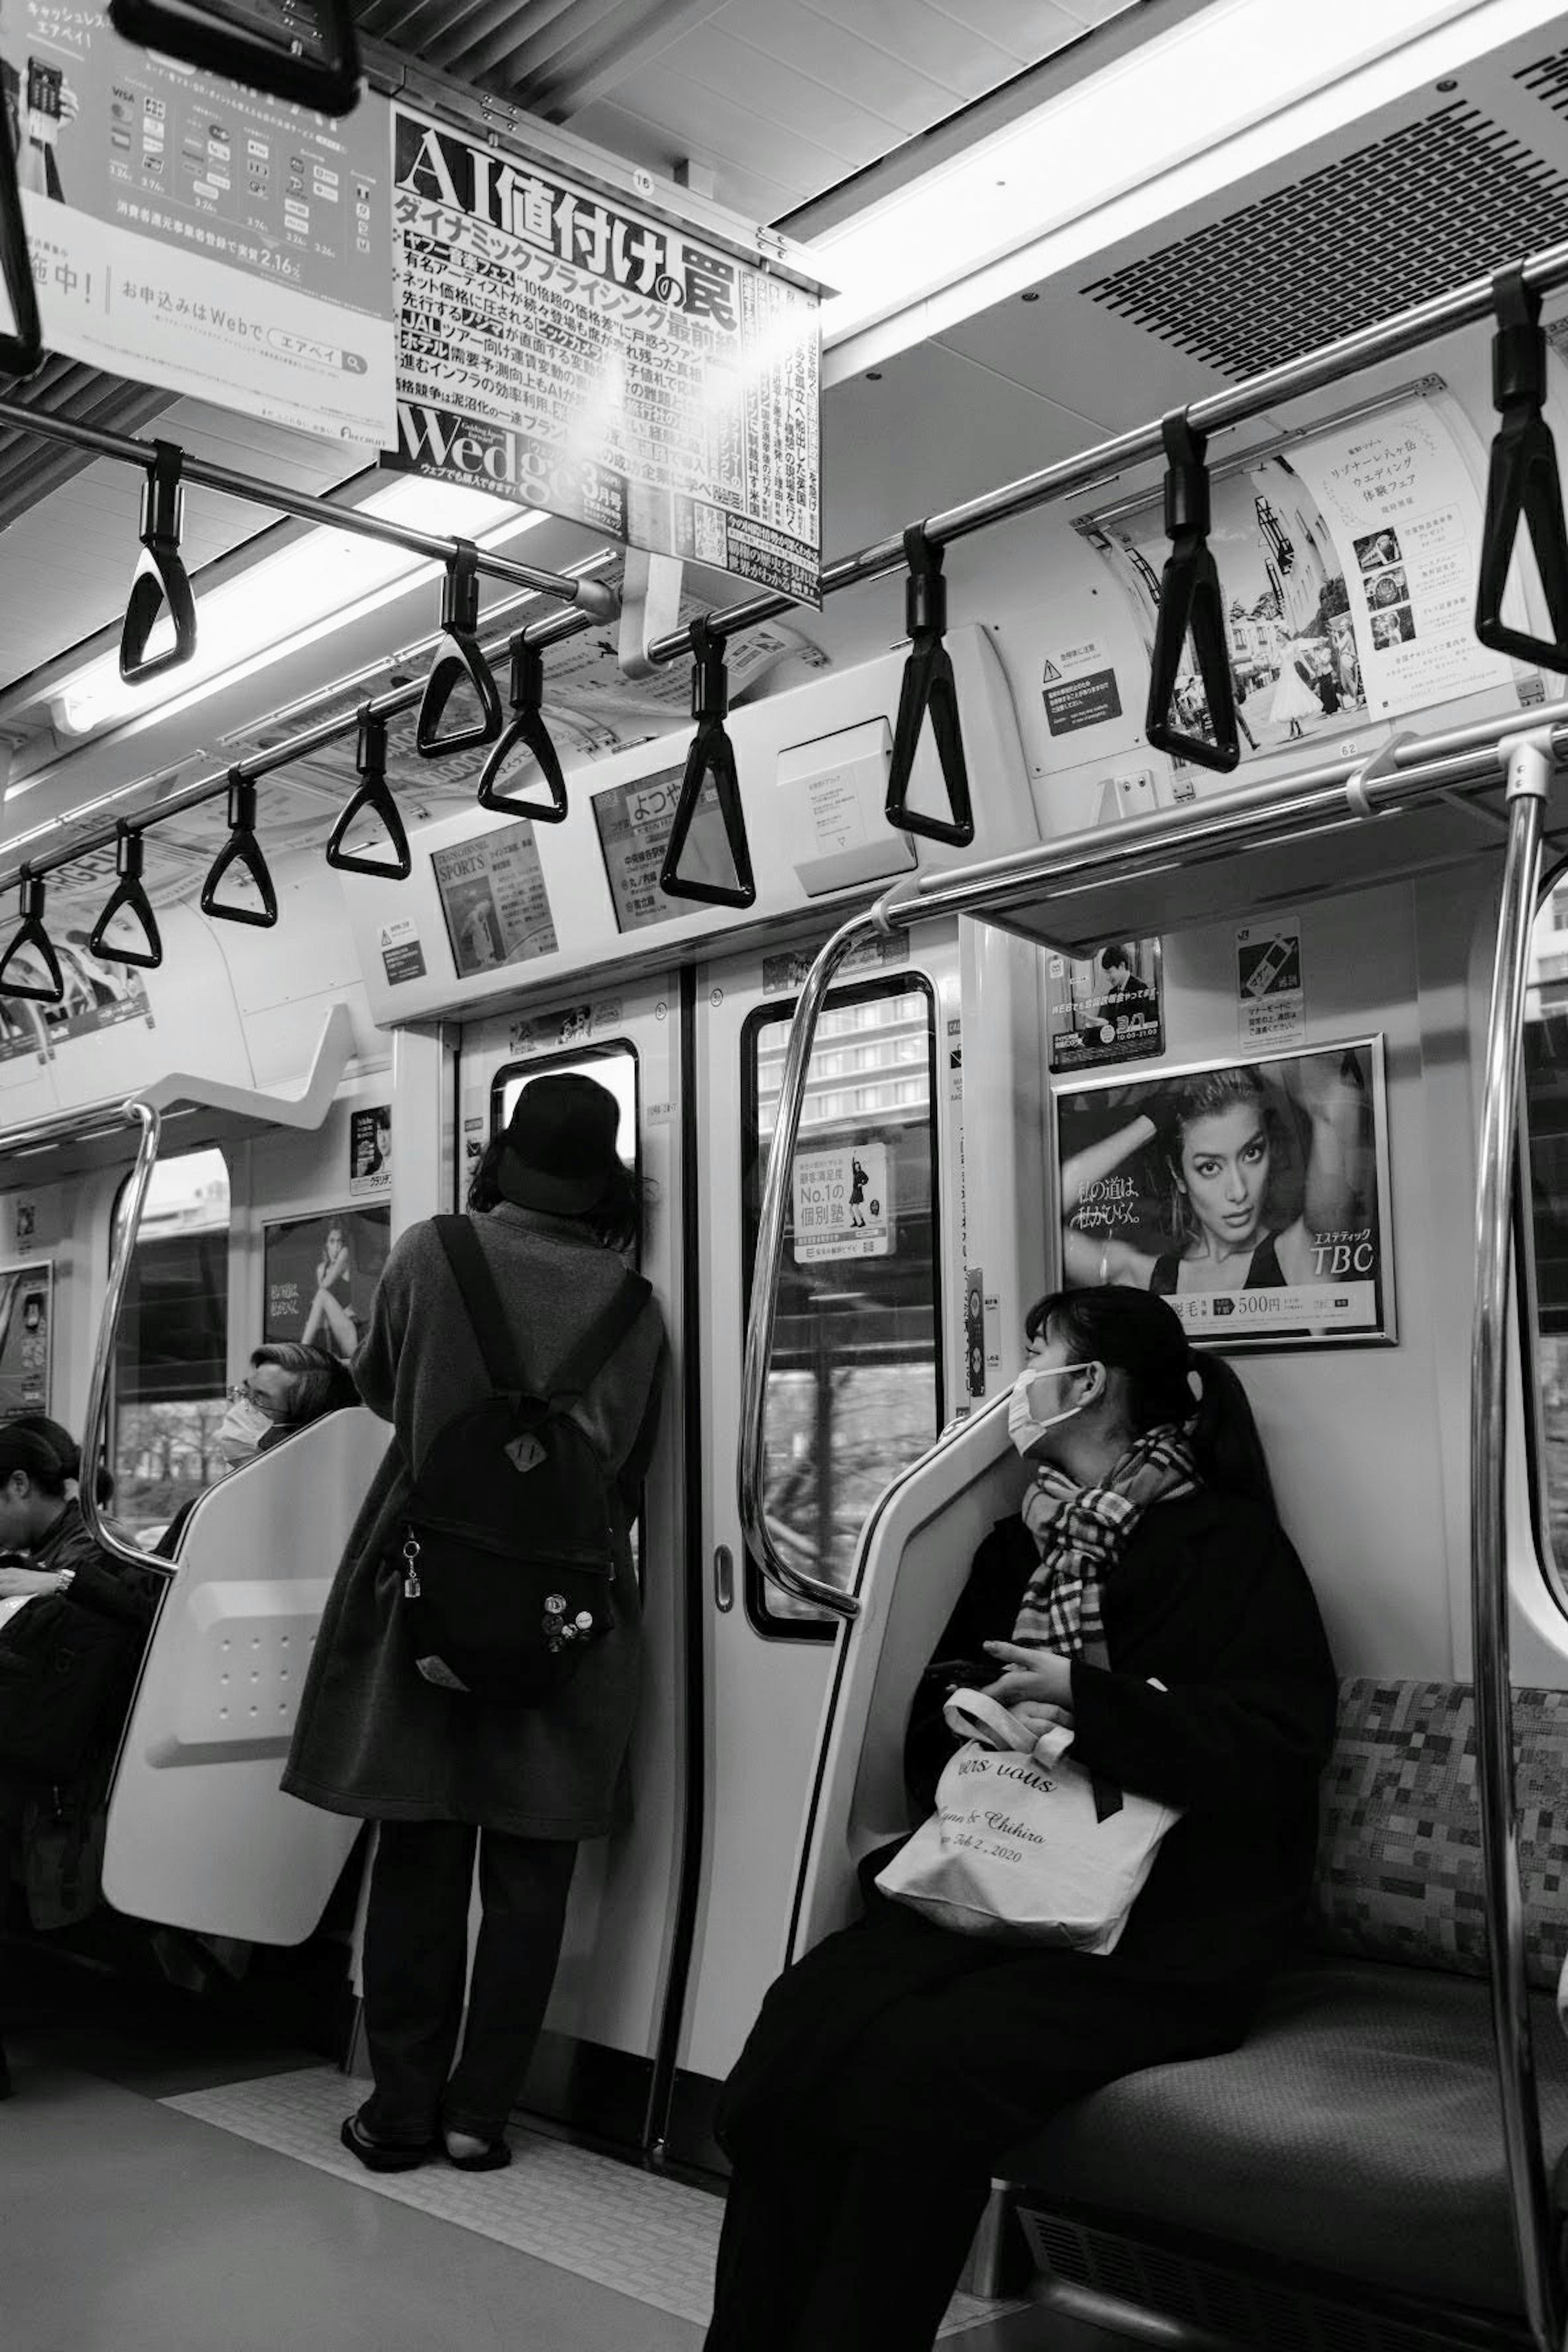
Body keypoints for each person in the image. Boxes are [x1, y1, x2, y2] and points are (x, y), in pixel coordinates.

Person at [703, 1287, 1336, 2350]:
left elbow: (1274, 1750)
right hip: (995, 1886)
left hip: (1159, 1927)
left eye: (1034, 1352)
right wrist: (981, 1712)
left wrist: (1089, 1705)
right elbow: (927, 1732)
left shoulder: (1230, 1550)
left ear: (1086, 1384)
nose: (1015, 1379)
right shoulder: (1021, 1549)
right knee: (800, 2030)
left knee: (917, 2074)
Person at [282, 1073, 667, 2173]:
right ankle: (477, 2116)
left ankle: (398, 2110)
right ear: (605, 1180)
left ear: (500, 1158)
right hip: (572, 1614)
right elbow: (629, 1469)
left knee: (421, 1849)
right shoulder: (636, 1309)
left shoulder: (429, 1255)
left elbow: (380, 1388)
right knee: (532, 1870)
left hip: (424, 1591)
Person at [0, 1419, 163, 2099]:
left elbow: (45, 1712)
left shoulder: (91, 1564)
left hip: (50, 1764)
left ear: (17, 1486)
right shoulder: (54, 1558)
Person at [1059, 1055, 1370, 1298]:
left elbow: (1333, 1112)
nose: (1238, 1192)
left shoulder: (1297, 1254)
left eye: (1251, 1154)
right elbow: (1041, 1215)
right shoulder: (1144, 1275)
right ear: (1178, 1176)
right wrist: (1148, 1125)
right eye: (1210, 1167)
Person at [299, 1221, 358, 1361]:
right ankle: (309, 1351)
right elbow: (321, 1313)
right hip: (333, 1333)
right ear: (326, 1244)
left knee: (322, 1296)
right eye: (332, 1242)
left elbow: (326, 1285)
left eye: (340, 1242)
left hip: (350, 1329)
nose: (336, 1247)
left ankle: (300, 1352)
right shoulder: (321, 1269)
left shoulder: (345, 1255)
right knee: (320, 1302)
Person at [1267, 635, 1321, 739]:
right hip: (1284, 677)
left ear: (1284, 636)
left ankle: (1294, 731)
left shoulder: (1293, 646)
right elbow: (1273, 664)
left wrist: (1310, 671)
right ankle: (1296, 730)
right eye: (1277, 638)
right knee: (1288, 703)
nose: (1278, 639)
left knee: (1294, 702)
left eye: (1279, 637)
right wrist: (1274, 652)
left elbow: (1302, 659)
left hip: (1293, 676)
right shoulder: (1280, 649)